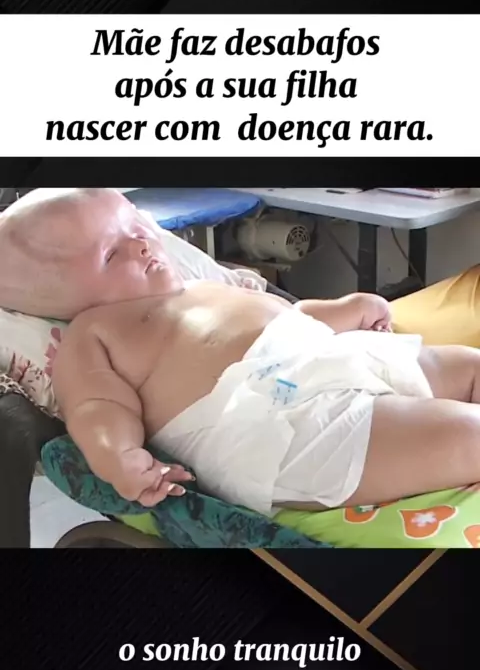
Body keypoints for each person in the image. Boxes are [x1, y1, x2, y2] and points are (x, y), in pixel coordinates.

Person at [4, 188, 480, 516]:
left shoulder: (198, 285)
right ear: (59, 297)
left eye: (136, 227)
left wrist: (345, 309)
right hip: (272, 423)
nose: (142, 245)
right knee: (464, 435)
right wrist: (119, 456)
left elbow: (285, 315)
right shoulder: (93, 332)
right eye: (111, 254)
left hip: (325, 357)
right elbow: (95, 406)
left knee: (467, 364)